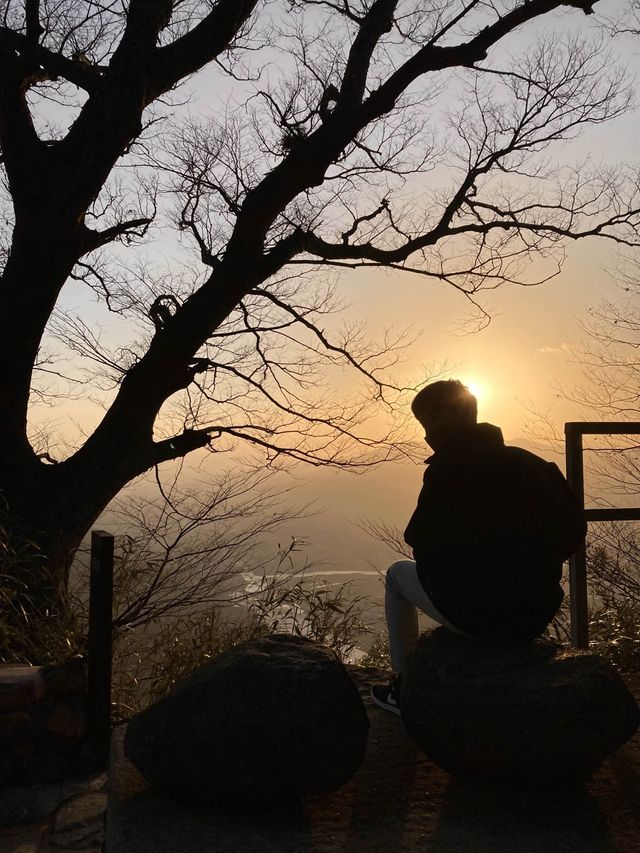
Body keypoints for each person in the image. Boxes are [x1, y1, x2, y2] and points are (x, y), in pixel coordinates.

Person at [371, 379, 587, 715]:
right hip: (535, 613)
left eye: (429, 420)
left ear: (449, 416)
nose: (427, 432)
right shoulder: (529, 462)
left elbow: (418, 539)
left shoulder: (447, 469)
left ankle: (404, 686)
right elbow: (574, 529)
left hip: (479, 618)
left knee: (397, 576)